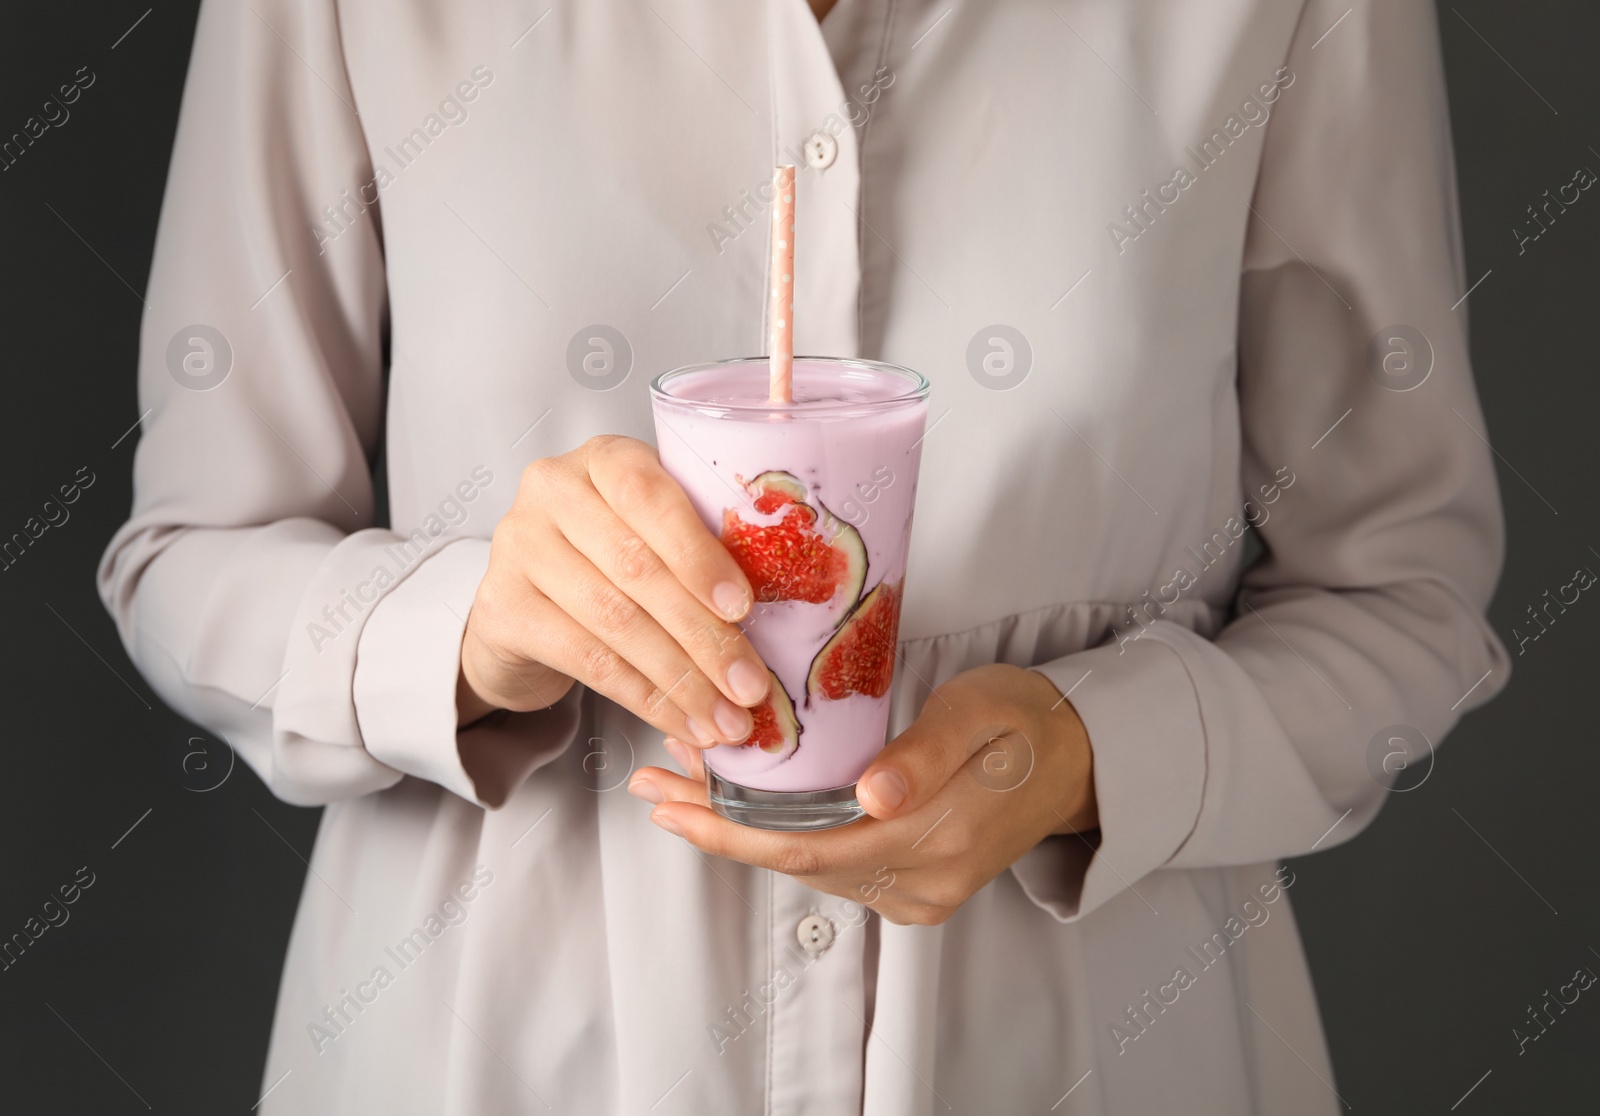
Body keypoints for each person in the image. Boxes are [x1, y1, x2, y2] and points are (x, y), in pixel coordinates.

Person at [99, 0, 1508, 1111]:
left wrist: (1095, 753)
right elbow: (188, 558)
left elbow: (1404, 596)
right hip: (489, 1059)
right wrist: (463, 629)